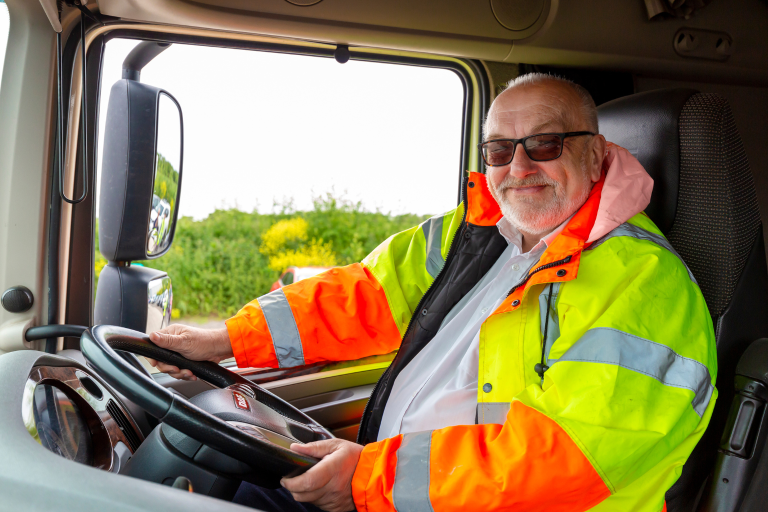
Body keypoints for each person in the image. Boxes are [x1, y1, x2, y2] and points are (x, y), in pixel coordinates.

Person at [148, 73, 717, 512]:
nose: (518, 167)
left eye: (544, 144)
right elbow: (365, 294)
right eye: (498, 150)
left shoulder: (644, 283)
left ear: (594, 154)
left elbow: (568, 457)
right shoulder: (473, 232)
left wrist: (372, 480)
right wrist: (226, 339)